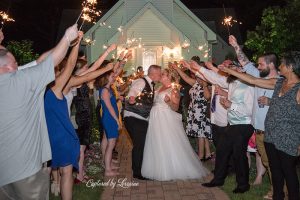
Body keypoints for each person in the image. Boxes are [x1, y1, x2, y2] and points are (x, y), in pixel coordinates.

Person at [0, 24, 79, 199]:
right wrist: (68, 37)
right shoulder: (20, 81)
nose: (19, 66)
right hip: (26, 169)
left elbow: (40, 62)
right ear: (6, 67)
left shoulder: (16, 78)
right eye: (15, 63)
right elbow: (51, 62)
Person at [218, 52, 300, 200]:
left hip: (288, 138)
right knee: (275, 172)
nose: (279, 66)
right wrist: (229, 71)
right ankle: (277, 196)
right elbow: (253, 80)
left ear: (291, 67)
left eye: (282, 64)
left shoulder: (298, 88)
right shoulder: (279, 82)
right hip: (270, 136)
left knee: (289, 173)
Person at [192, 60, 255, 193]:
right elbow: (215, 78)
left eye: (232, 67)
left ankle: (243, 185)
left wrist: (231, 105)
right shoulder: (232, 82)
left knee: (239, 155)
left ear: (241, 69)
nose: (229, 70)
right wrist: (199, 68)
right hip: (232, 124)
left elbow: (250, 110)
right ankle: (218, 179)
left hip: (244, 125)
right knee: (221, 150)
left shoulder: (249, 86)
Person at [229, 35, 279, 197]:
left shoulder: (281, 81)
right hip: (259, 130)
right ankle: (277, 189)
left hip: (273, 131)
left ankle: (276, 191)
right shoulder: (259, 75)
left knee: (274, 163)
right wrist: (236, 45)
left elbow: (289, 105)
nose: (257, 67)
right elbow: (245, 62)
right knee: (266, 161)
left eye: (261, 64)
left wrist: (270, 101)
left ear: (271, 65)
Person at [141, 68, 209, 181]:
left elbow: (175, 107)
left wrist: (168, 102)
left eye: (163, 74)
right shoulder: (158, 88)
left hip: (165, 119)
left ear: (169, 77)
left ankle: (170, 170)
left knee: (166, 142)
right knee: (157, 142)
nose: (160, 76)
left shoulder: (174, 90)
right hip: (156, 119)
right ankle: (156, 167)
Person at [124, 65, 162, 180]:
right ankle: (137, 173)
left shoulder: (151, 85)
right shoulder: (141, 81)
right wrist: (131, 97)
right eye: (159, 74)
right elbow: (134, 91)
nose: (160, 76)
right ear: (153, 73)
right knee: (139, 145)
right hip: (134, 117)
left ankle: (138, 170)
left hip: (140, 118)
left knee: (140, 145)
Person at [172, 62, 212, 161]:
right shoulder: (195, 83)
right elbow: (185, 77)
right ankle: (207, 154)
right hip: (194, 111)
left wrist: (205, 86)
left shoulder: (208, 84)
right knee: (203, 133)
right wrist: (177, 68)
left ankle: (200, 156)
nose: (196, 76)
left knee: (200, 134)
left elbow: (208, 97)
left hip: (201, 112)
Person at [98, 70, 120, 176]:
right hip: (110, 118)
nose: (114, 77)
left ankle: (109, 164)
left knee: (107, 141)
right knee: (111, 144)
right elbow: (109, 107)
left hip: (109, 118)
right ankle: (107, 170)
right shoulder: (105, 91)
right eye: (112, 76)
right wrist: (117, 120)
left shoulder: (108, 89)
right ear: (106, 78)